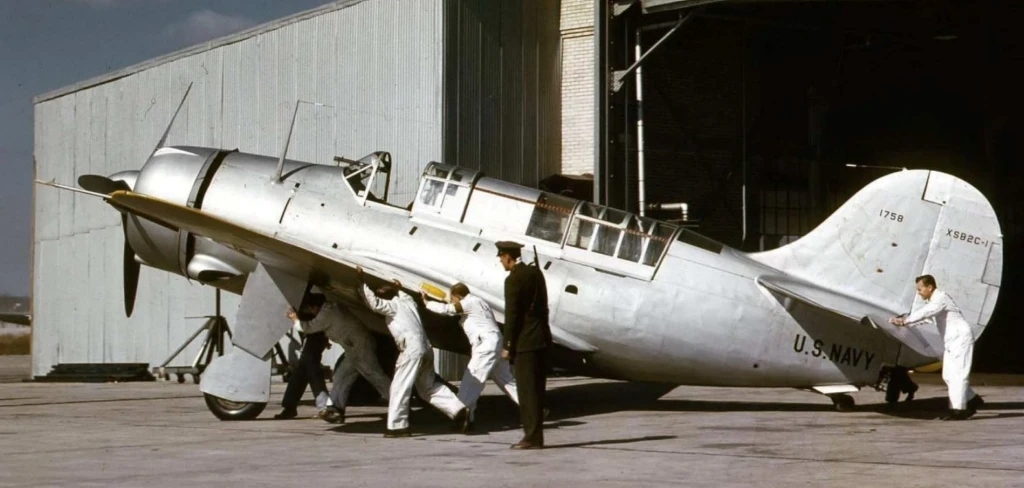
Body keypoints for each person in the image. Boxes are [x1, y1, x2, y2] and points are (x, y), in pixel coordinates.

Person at [356, 266, 469, 437]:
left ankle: (397, 426)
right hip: (426, 348)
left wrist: (361, 282)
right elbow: (403, 294)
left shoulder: (392, 306)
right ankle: (458, 410)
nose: (379, 290)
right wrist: (398, 288)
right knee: (428, 388)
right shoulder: (408, 302)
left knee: (399, 387)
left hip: (411, 349)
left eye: (381, 289)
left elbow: (373, 303)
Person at [422, 283, 519, 430]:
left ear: (458, 296)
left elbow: (448, 310)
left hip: (485, 345)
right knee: (507, 381)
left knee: (472, 379)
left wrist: (427, 303)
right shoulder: (479, 302)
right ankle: (533, 408)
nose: (452, 301)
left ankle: (463, 417)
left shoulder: (469, 302)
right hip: (495, 343)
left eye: (452, 298)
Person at [889, 275, 984, 420]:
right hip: (952, 341)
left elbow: (927, 312)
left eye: (920, 289)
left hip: (960, 339)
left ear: (929, 287)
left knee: (958, 375)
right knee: (948, 375)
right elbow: (927, 318)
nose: (918, 293)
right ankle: (972, 399)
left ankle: (958, 410)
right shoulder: (934, 302)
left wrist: (905, 321)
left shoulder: (941, 299)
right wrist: (904, 321)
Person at [497, 240, 552, 449]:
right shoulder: (536, 273)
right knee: (538, 390)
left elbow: (512, 316)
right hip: (541, 338)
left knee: (527, 392)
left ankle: (532, 437)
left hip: (525, 341)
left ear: (507, 257)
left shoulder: (512, 280)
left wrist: (507, 345)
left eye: (501, 258)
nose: (501, 262)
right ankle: (536, 435)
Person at [313, 299, 392, 424]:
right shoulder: (334, 308)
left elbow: (309, 327)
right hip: (353, 350)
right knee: (341, 376)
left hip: (361, 349)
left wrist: (295, 320)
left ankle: (399, 402)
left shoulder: (330, 312)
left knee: (375, 376)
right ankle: (335, 409)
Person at [275, 296, 330, 420]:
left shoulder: (313, 311)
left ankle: (324, 407)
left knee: (309, 371)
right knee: (302, 373)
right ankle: (291, 407)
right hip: (313, 339)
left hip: (314, 338)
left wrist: (295, 318)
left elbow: (308, 327)